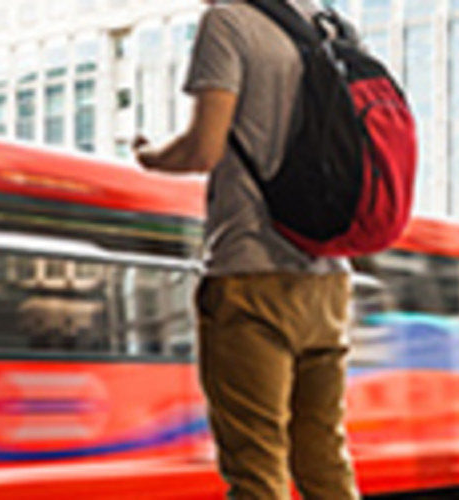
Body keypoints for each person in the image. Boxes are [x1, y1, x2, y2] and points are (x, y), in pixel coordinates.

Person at [134, 1, 360, 499]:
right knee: (325, 459)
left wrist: (149, 156)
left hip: (251, 272)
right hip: (329, 278)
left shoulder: (229, 21)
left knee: (256, 468)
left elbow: (203, 148)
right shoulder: (328, 23)